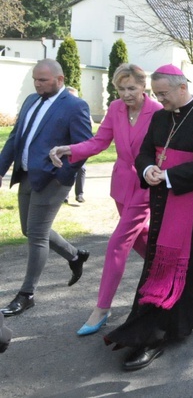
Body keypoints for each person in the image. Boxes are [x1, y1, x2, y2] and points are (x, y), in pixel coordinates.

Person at [103, 64, 193, 371]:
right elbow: (143, 153)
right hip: (160, 201)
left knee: (179, 264)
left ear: (182, 88)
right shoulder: (159, 117)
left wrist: (167, 176)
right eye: (156, 94)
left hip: (190, 203)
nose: (159, 99)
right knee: (163, 264)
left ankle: (154, 335)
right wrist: (147, 170)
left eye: (163, 94)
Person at [49, 64, 162, 335]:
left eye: (131, 88)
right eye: (121, 88)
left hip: (146, 186)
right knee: (141, 238)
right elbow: (99, 142)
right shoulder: (115, 108)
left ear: (143, 87)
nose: (126, 94)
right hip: (122, 184)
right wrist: (69, 149)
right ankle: (176, 277)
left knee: (118, 243)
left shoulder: (157, 112)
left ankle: (102, 308)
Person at [0, 59, 93, 317]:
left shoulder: (75, 106)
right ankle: (75, 256)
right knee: (27, 229)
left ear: (59, 80)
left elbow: (83, 147)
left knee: (37, 234)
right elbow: (15, 137)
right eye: (35, 79)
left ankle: (26, 294)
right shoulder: (31, 100)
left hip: (53, 179)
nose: (37, 84)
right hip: (28, 175)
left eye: (43, 80)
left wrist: (63, 175)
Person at [65, 86, 88, 204]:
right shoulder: (62, 110)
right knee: (67, 170)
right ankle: (65, 195)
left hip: (79, 147)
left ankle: (79, 194)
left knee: (81, 169)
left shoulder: (81, 108)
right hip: (65, 147)